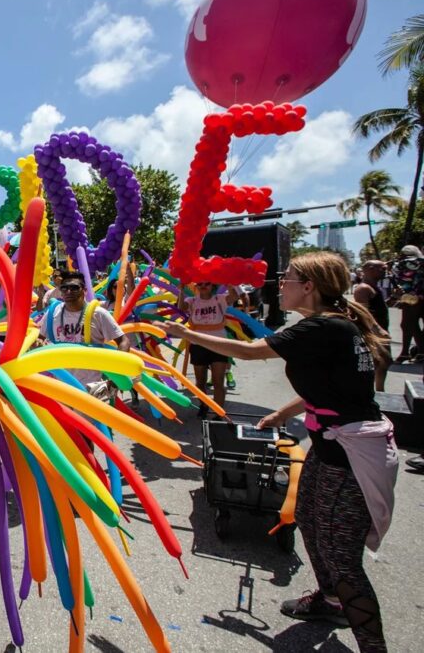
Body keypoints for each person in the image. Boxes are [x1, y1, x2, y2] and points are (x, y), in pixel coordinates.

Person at [155, 251, 396, 652]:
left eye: (289, 278)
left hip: (351, 454)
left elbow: (250, 351)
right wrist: (284, 411)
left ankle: (373, 644)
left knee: (342, 558)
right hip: (332, 445)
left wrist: (187, 334)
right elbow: (332, 386)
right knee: (305, 517)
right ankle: (331, 600)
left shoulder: (319, 328)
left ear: (310, 287)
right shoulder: (332, 326)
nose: (280, 283)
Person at [38, 270, 131, 400]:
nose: (68, 292)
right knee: (62, 420)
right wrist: (38, 345)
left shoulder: (98, 314)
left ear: (84, 290)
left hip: (89, 386)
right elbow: (39, 339)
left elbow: (124, 341)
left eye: (74, 288)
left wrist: (116, 373)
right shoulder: (52, 313)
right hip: (60, 383)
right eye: (64, 288)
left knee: (88, 421)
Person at [181, 281, 241, 418]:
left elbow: (235, 296)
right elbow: (182, 307)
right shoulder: (191, 300)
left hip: (218, 345)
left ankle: (219, 412)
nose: (203, 286)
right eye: (200, 283)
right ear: (196, 286)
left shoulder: (219, 299)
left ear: (212, 286)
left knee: (218, 381)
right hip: (198, 345)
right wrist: (181, 289)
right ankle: (203, 406)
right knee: (200, 381)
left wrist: (231, 280)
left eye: (207, 284)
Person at [354, 261, 393, 391]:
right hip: (373, 334)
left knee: (383, 363)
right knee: (380, 363)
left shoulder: (372, 287)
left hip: (378, 332)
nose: (385, 271)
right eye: (382, 269)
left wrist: (392, 299)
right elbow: (362, 312)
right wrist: (377, 329)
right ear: (370, 269)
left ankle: (379, 392)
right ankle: (376, 393)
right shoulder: (363, 289)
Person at [389, 245, 424, 363]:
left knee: (408, 324)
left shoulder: (410, 263)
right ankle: (418, 352)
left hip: (413, 297)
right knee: (410, 325)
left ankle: (410, 353)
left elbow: (405, 280)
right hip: (417, 296)